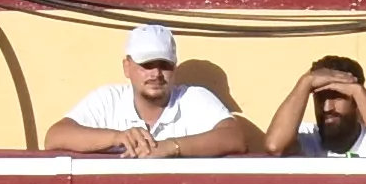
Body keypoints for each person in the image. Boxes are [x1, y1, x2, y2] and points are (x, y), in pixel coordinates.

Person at [47, 21, 258, 158]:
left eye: (164, 65)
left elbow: (234, 137)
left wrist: (171, 147)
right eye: (147, 65)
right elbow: (55, 136)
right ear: (127, 67)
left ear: (174, 68)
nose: (156, 74)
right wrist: (116, 137)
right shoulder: (108, 99)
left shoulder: (193, 98)